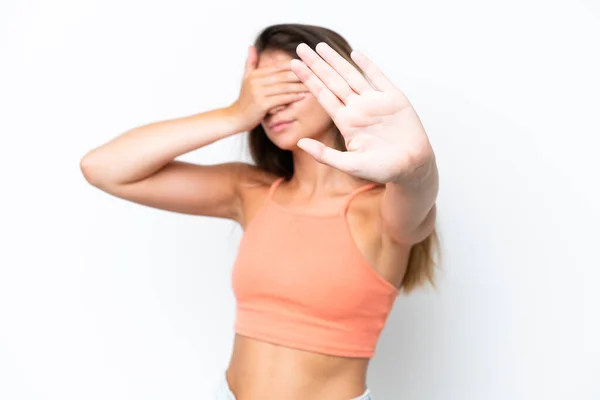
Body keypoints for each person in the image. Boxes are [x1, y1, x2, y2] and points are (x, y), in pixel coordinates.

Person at [80, 23, 440, 400]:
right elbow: (103, 168)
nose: (273, 104)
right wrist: (235, 113)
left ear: (339, 86)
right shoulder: (250, 193)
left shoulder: (381, 210)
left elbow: (417, 192)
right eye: (262, 90)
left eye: (289, 85)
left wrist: (417, 166)